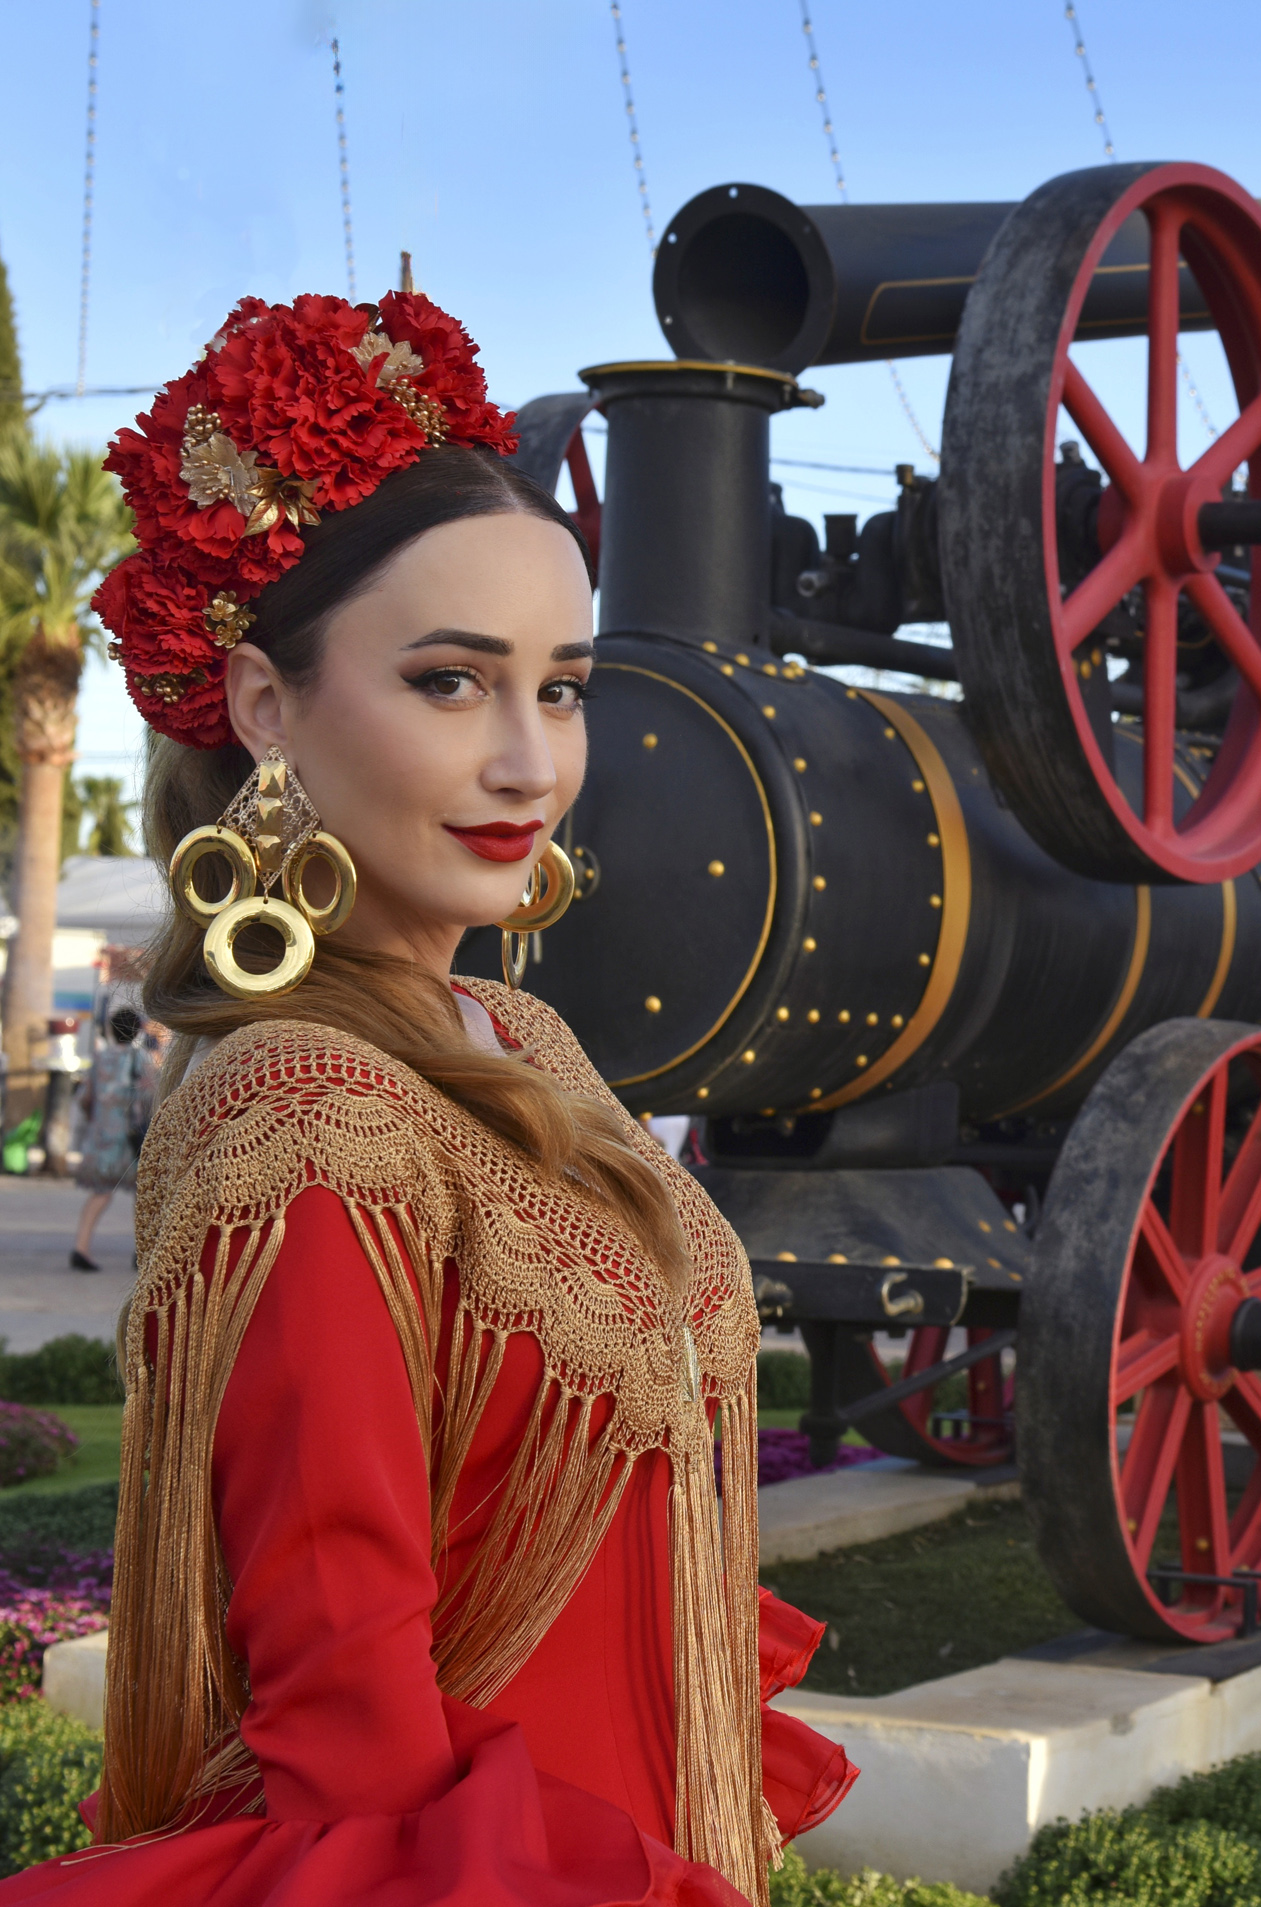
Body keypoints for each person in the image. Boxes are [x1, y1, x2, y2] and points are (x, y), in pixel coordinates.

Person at [0, 292, 855, 1902]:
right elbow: (355, 1725)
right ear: (265, 705)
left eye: (564, 686)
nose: (531, 761)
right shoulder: (304, 1110)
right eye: (453, 682)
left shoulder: (516, 1037)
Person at [67, 1007, 162, 1271]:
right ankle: (141, 1250)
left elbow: (85, 1098)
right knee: (141, 1194)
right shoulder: (140, 1058)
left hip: (101, 1138)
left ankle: (81, 1247)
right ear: (136, 1031)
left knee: (100, 1193)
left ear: (110, 1031)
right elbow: (152, 1093)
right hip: (131, 1139)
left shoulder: (100, 1058)